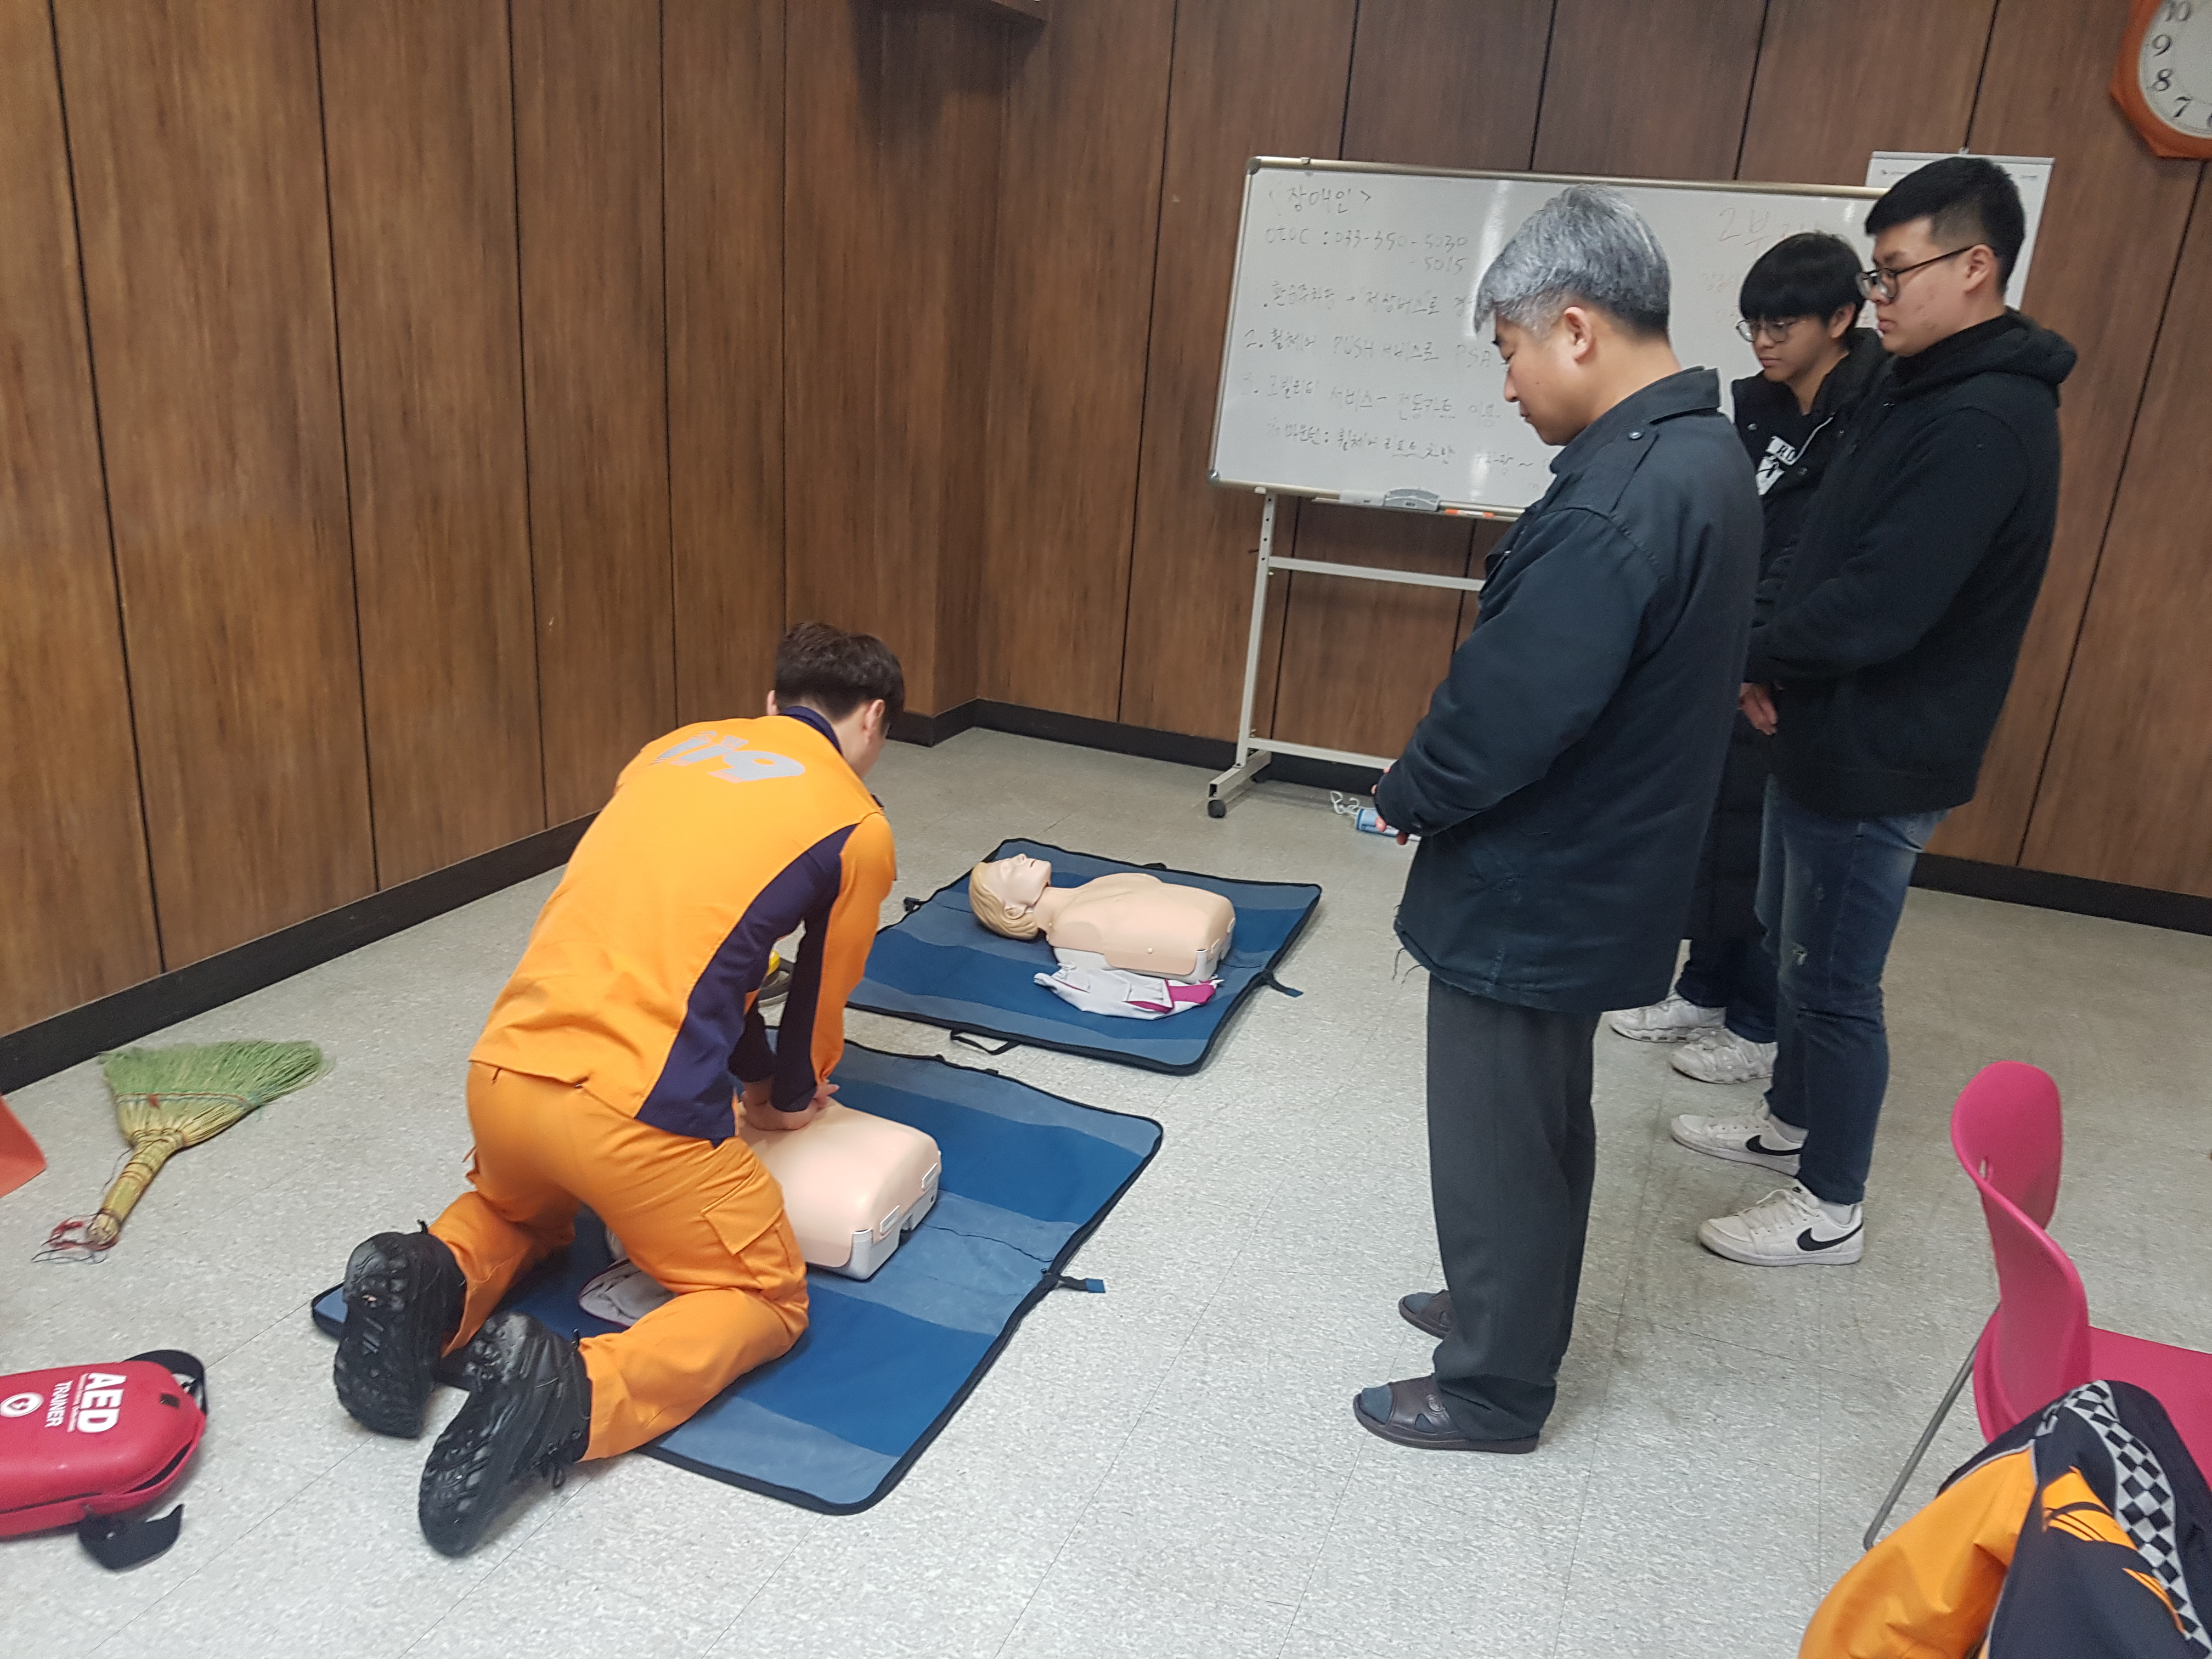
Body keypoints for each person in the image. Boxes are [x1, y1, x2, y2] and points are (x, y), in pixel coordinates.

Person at [331, 622, 902, 1554]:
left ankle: (430, 1276)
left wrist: (752, 1069)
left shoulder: (671, 751)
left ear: (771, 703)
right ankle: (573, 1391)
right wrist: (787, 1097)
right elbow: (816, 996)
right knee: (764, 1297)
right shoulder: (856, 824)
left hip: (505, 1077)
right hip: (638, 1122)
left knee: (521, 1214)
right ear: (873, 719)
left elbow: (695, 943)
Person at [1355, 185, 1760, 1453]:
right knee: (1538, 1122)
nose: (1508, 383)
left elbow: (1506, 712)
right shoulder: (1698, 456)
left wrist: (1402, 796)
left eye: (1511, 349)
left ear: (1575, 328)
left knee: (1499, 1133)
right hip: (1605, 865)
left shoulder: (1617, 500)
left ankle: (1492, 1385)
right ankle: (1506, 1307)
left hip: (1540, 881)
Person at [1674, 157, 2076, 1266]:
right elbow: (1819, 552)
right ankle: (1790, 1128)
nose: (1879, 298)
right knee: (1792, 947)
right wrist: (1764, 660)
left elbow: (1884, 603)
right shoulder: (1907, 386)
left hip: (1884, 747)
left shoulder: (1988, 417)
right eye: (1876, 275)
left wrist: (1756, 655)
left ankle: (1830, 1207)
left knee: (1836, 983)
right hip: (1820, 721)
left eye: (1896, 275)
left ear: (1976, 266)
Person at [1609, 233, 1886, 1086]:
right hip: (1739, 646)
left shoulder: (1867, 414)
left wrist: (1759, 654)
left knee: (1770, 856)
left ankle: (1760, 1023)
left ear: (1840, 318)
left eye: (1782, 325)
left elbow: (1820, 558)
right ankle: (1705, 988)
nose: (1764, 341)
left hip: (1793, 663)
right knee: (1716, 829)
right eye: (1753, 325)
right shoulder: (1760, 407)